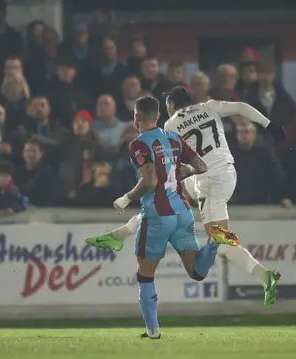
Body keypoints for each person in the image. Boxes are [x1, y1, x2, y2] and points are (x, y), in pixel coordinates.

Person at [86, 87, 286, 309]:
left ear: (171, 105)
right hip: (225, 173)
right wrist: (270, 125)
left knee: (216, 241)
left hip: (208, 181)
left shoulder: (171, 124)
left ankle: (262, 274)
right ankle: (121, 233)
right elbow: (240, 107)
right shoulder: (209, 107)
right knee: (165, 202)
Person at [88, 96, 238, 339]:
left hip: (157, 216)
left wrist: (126, 198)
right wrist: (185, 170)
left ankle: (153, 331)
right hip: (182, 212)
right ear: (158, 116)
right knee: (196, 272)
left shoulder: (138, 144)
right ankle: (213, 241)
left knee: (145, 275)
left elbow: (149, 181)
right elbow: (201, 166)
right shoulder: (173, 138)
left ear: (136, 118)